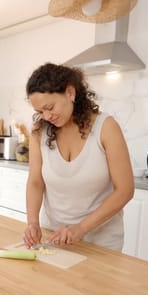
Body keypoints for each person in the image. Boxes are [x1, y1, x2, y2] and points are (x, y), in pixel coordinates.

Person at [23, 63, 134, 252]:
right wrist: (32, 222)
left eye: (50, 107)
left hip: (101, 243)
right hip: (53, 238)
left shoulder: (106, 127)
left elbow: (125, 190)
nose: (47, 116)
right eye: (40, 112)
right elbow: (35, 181)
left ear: (70, 93)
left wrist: (81, 228)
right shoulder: (40, 132)